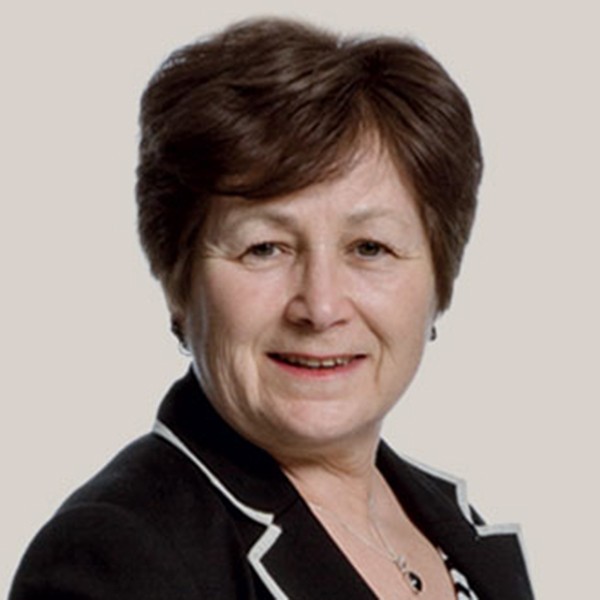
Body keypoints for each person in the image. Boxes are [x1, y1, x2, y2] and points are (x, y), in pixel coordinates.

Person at [10, 17, 534, 600]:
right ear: (178, 280)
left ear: (439, 278)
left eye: (369, 248)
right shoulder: (116, 557)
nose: (321, 306)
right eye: (265, 248)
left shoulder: (453, 529)